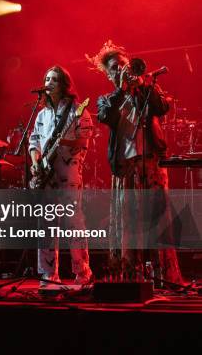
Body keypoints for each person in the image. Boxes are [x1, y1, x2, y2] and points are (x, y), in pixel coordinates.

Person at [90, 40, 182, 284]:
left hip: (151, 162)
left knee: (159, 219)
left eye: (122, 63)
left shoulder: (147, 87)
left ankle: (165, 278)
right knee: (128, 221)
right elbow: (105, 117)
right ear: (108, 74)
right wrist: (121, 91)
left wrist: (143, 86)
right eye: (113, 67)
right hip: (125, 166)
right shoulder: (106, 99)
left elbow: (162, 107)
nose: (120, 68)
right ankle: (131, 278)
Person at [29, 65, 94, 286]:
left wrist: (64, 142)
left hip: (69, 171)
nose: (48, 83)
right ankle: (49, 273)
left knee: (73, 220)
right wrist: (36, 162)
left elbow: (84, 140)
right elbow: (33, 142)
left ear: (64, 84)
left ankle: (82, 271)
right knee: (46, 221)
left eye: (53, 79)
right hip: (46, 173)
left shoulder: (78, 110)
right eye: (46, 78)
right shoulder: (42, 114)